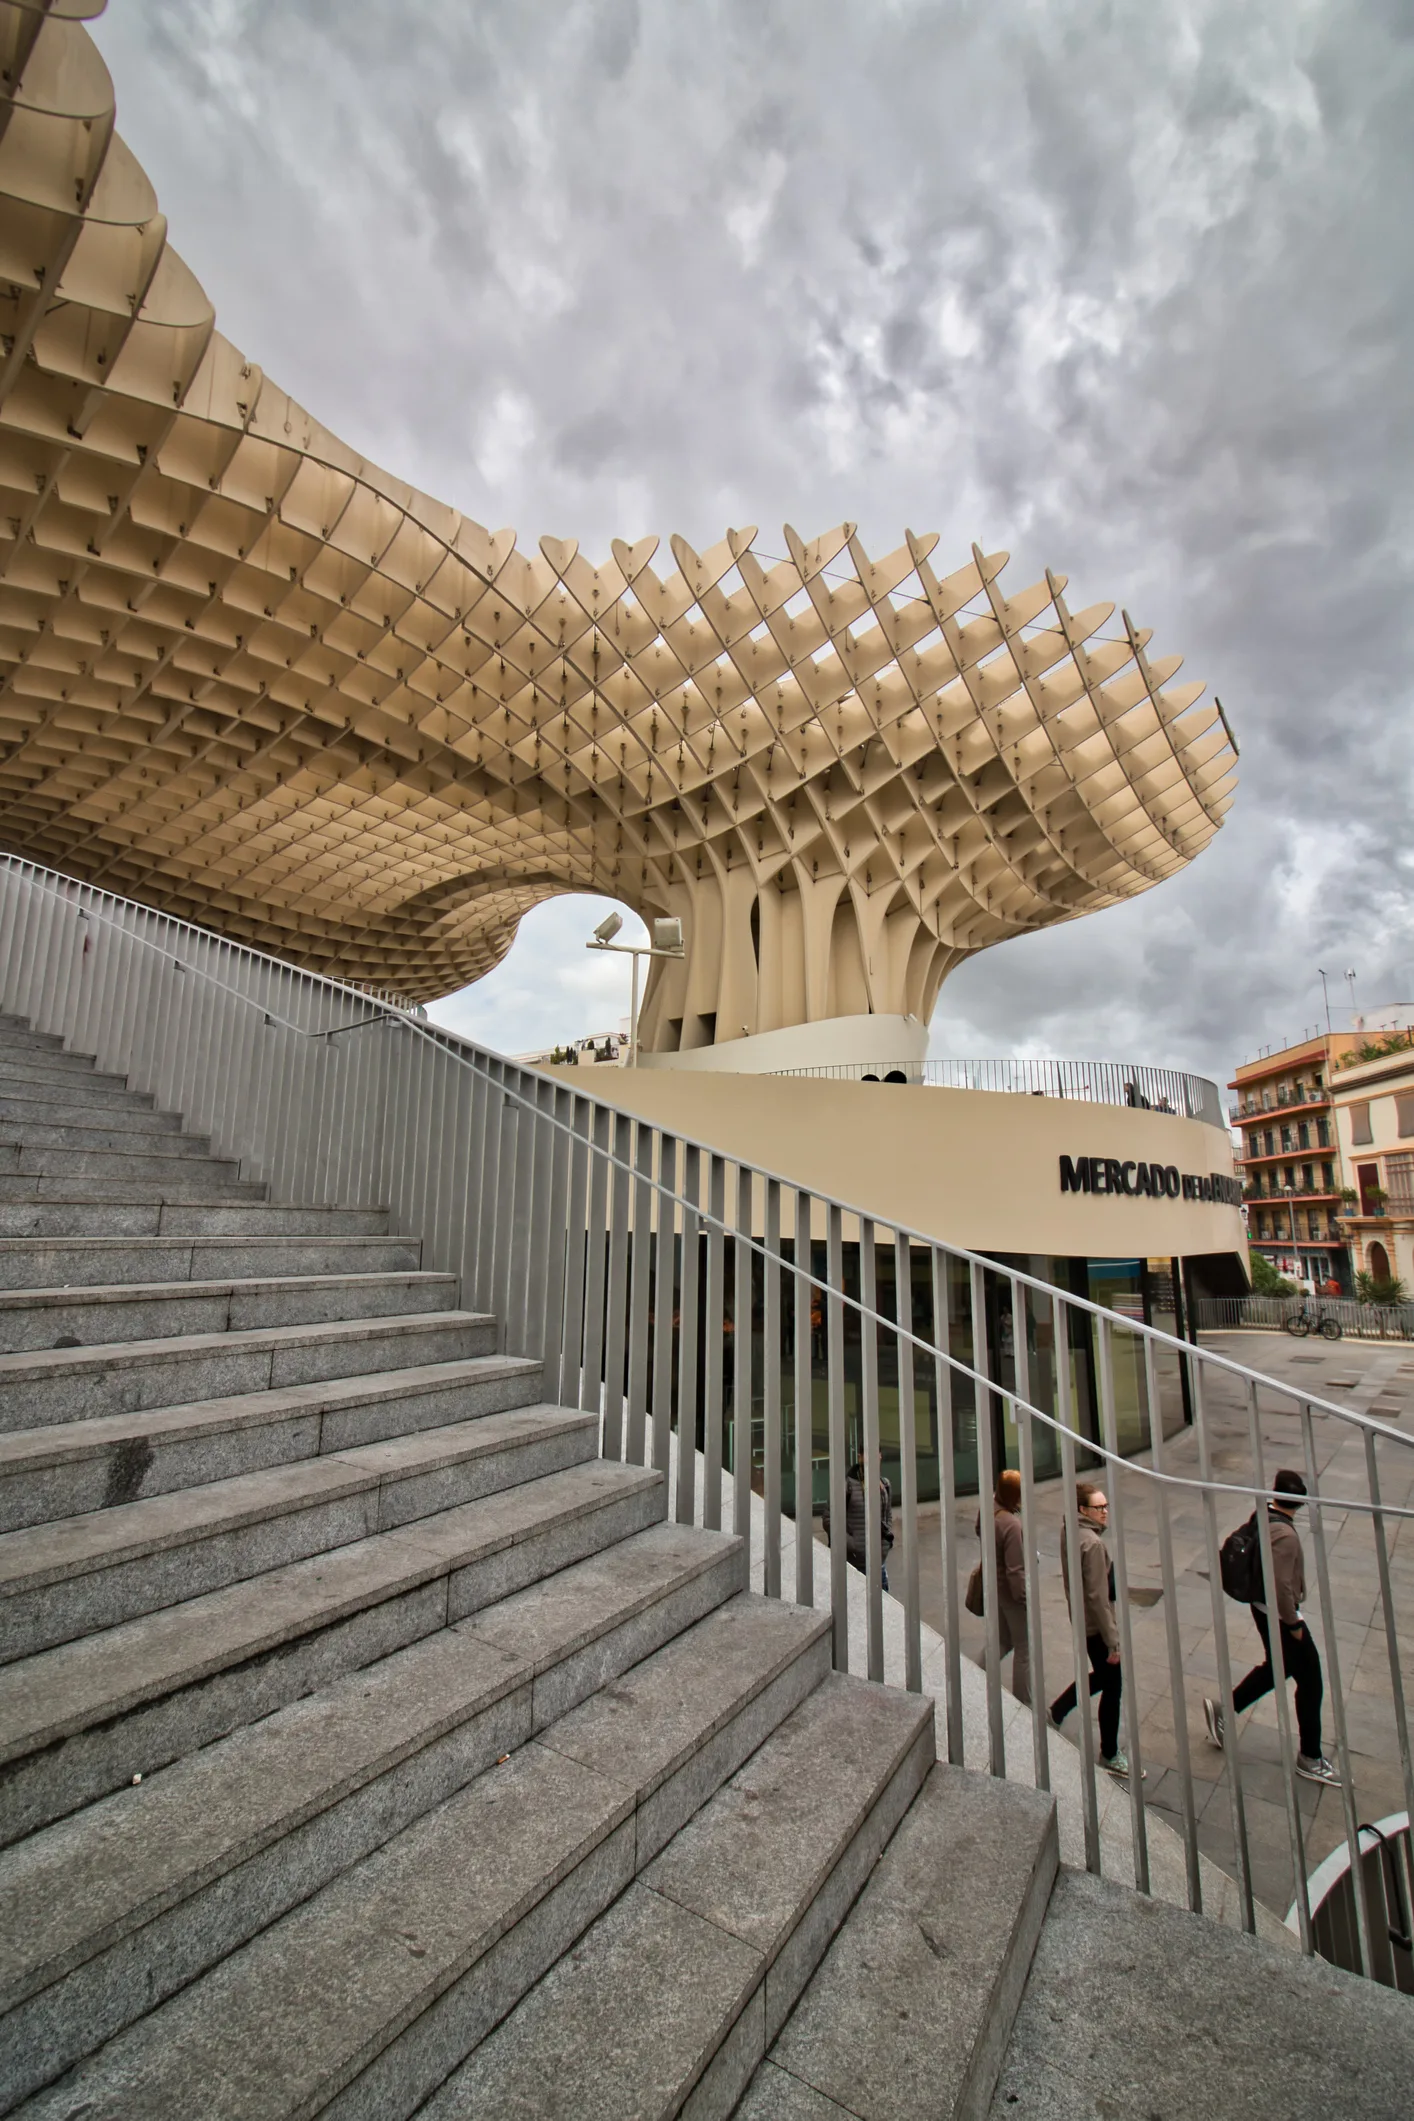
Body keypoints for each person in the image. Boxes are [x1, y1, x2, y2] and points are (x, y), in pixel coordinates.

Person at [1203, 1469, 1341, 1785]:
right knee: (1312, 1680)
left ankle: (1225, 1710)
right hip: (1280, 1614)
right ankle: (1310, 1757)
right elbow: (1280, 1585)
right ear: (1301, 1502)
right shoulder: (1287, 1536)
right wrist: (1293, 1624)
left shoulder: (1263, 1516)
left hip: (1262, 1608)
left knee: (1278, 1668)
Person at [1047, 1481, 1141, 1780]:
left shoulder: (1071, 1531)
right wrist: (1113, 1641)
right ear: (1082, 1510)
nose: (1104, 1512)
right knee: (1112, 1685)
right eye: (1098, 1508)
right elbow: (1098, 1598)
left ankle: (1058, 1711)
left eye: (1105, 1506)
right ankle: (1111, 1753)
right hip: (1096, 1626)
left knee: (1103, 1677)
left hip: (1083, 1619)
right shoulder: (1093, 1544)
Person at [974, 1468, 1030, 1705]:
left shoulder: (989, 1511)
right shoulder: (1011, 1524)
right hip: (1010, 1593)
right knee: (1024, 1648)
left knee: (1002, 1640)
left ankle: (974, 1674)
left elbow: (978, 1530)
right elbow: (1015, 1569)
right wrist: (1024, 1598)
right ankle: (1023, 1702)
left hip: (993, 1587)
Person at [823, 1457, 893, 1590]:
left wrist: (885, 1545)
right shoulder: (845, 1485)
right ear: (860, 1457)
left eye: (875, 1453)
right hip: (854, 1566)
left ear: (880, 1456)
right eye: (866, 1453)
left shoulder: (885, 1485)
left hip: (879, 1565)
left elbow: (888, 1515)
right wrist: (853, 1544)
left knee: (883, 1608)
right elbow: (828, 1519)